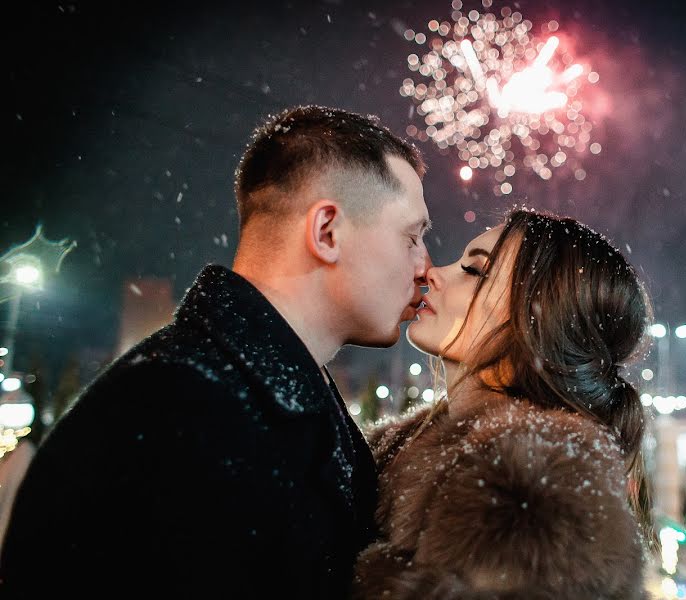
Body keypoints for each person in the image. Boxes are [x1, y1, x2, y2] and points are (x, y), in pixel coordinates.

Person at [0, 105, 431, 598]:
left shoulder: (239, 396)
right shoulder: (175, 414)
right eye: (412, 236)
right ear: (326, 232)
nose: (425, 267)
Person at [353, 209, 652, 600]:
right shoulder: (402, 451)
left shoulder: (533, 499)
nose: (432, 272)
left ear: (534, 326)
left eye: (474, 271)